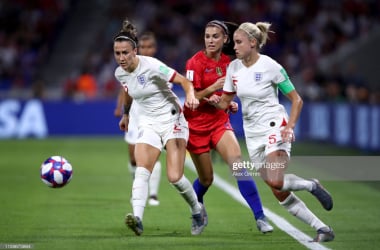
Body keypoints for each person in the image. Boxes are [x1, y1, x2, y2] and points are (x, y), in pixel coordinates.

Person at [207, 21, 335, 242]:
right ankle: (323, 228)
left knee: (275, 180)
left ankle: (311, 185)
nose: (234, 47)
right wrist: (214, 100)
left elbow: (296, 100)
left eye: (238, 42)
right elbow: (225, 102)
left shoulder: (270, 67)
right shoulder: (234, 69)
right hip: (252, 135)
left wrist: (289, 126)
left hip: (274, 127)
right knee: (279, 191)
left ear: (253, 43)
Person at [113, 18, 206, 236]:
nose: (121, 58)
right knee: (141, 170)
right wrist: (126, 114)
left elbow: (184, 81)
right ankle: (137, 218)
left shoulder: (153, 66)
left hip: (172, 120)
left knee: (174, 177)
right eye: (117, 53)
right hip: (148, 124)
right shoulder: (120, 73)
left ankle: (196, 210)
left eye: (125, 53)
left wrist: (190, 96)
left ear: (135, 51)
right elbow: (128, 89)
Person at [184, 20, 273, 233]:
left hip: (218, 122)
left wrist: (228, 103)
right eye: (207, 36)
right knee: (206, 179)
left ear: (225, 39)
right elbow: (191, 97)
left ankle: (260, 217)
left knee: (238, 167)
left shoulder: (231, 64)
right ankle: (198, 210)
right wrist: (212, 89)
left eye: (215, 36)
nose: (210, 40)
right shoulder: (193, 63)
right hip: (195, 125)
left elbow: (229, 93)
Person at [114, 32, 162, 206]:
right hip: (134, 116)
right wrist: (121, 109)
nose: (146, 50)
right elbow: (125, 89)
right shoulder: (128, 67)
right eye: (143, 47)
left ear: (155, 49)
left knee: (152, 157)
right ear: (137, 49)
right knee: (134, 158)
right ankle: (137, 188)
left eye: (150, 47)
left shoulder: (158, 67)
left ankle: (153, 194)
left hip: (153, 118)